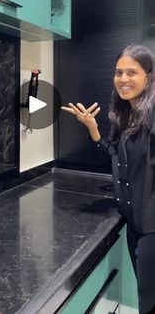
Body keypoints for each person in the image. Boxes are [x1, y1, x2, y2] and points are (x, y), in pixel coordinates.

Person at [61, 44, 155, 314]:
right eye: (118, 72)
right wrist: (93, 129)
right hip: (136, 223)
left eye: (132, 72)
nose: (123, 79)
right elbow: (115, 158)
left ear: (148, 76)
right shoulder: (128, 115)